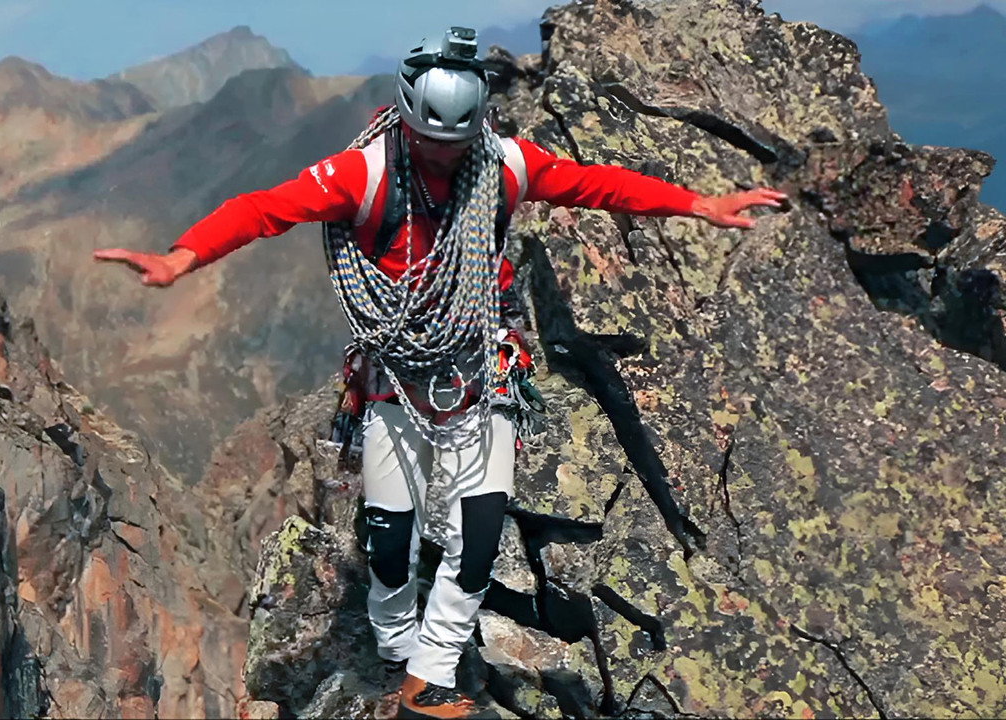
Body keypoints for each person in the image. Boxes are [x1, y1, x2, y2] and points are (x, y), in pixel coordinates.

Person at [95, 26, 786, 720]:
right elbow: (264, 210)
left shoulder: (504, 166)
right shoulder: (360, 175)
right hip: (398, 376)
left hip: (482, 369)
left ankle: (430, 672)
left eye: (456, 145)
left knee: (479, 533)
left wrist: (699, 205)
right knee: (391, 541)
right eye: (429, 143)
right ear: (404, 118)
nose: (443, 157)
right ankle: (396, 640)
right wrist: (183, 258)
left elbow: (593, 186)